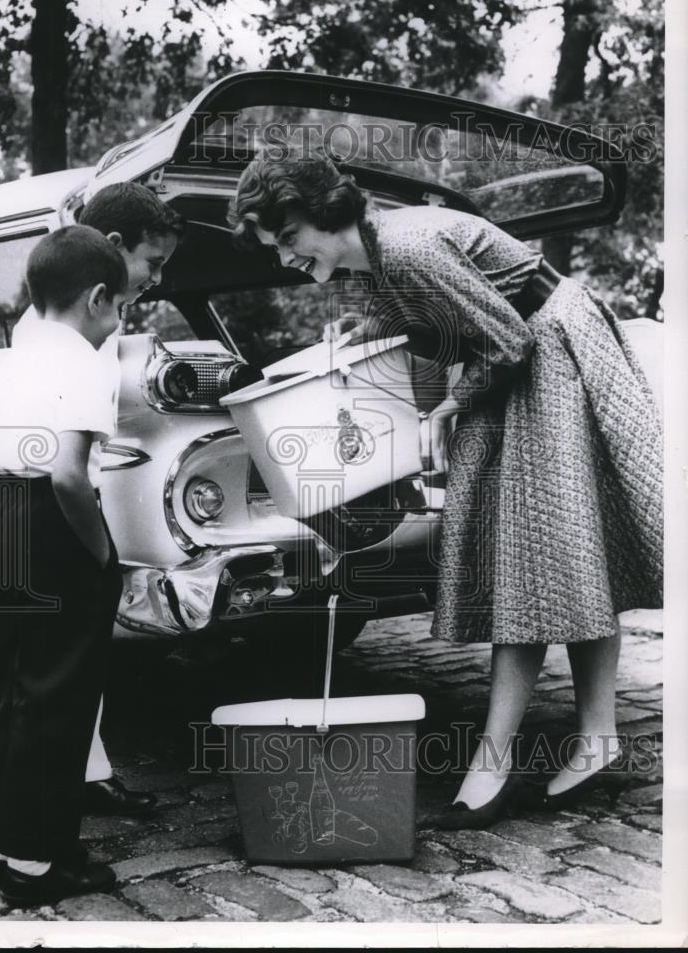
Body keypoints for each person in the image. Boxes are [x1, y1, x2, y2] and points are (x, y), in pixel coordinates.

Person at [228, 149, 663, 827]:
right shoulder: (373, 259)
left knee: (535, 554)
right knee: (561, 552)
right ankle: (591, 737)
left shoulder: (406, 245)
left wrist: (448, 408)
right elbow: (434, 325)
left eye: (289, 238)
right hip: (528, 357)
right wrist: (365, 334)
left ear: (325, 213)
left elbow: (506, 340)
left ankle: (498, 759)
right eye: (273, 247)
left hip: (549, 352)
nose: (285, 257)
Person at [0, 183, 184, 831]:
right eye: (151, 262)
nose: (155, 278)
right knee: (30, 671)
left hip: (10, 498)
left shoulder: (48, 320)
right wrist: (101, 554)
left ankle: (54, 788)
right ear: (109, 257)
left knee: (37, 670)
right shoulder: (83, 330)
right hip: (45, 500)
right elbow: (68, 469)